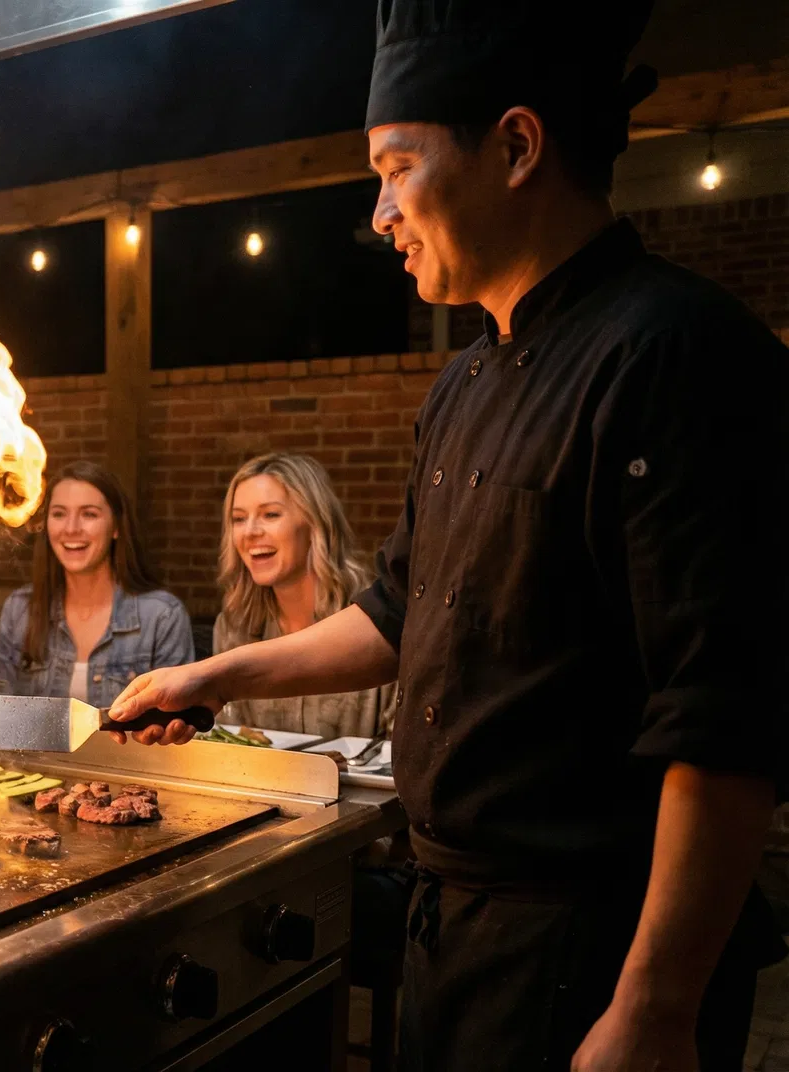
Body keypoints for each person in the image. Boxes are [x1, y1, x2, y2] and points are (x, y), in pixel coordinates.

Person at [110, 2, 787, 1068]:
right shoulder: (463, 382)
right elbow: (392, 612)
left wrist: (656, 1003)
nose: (378, 212)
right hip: (452, 928)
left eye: (395, 167)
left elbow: (726, 719)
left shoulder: (677, 356)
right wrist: (216, 677)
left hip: (593, 949)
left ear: (517, 146)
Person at [213, 452, 397, 739]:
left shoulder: (380, 614)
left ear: (315, 522)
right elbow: (234, 740)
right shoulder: (234, 625)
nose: (249, 532)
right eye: (238, 519)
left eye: (270, 514)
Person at [0, 461, 192, 707]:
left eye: (89, 514)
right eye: (59, 514)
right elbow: (1, 717)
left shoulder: (162, 616)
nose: (71, 528)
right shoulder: (19, 610)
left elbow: (174, 727)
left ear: (116, 527)